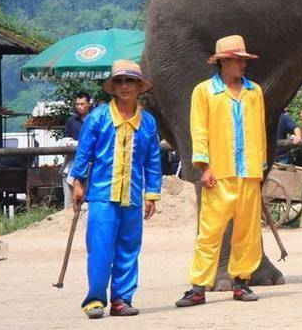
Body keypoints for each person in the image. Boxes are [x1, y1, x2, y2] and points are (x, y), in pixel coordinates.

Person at [176, 35, 268, 307]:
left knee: (247, 232)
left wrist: (260, 167)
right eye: (237, 60)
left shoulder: (254, 92)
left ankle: (241, 282)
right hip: (219, 172)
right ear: (224, 62)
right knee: (210, 231)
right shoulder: (204, 91)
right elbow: (199, 130)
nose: (242, 65)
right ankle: (198, 286)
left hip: (249, 172)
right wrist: (203, 166)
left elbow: (259, 131)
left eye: (243, 60)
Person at [68, 61, 162, 319]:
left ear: (139, 86)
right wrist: (78, 182)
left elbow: (153, 160)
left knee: (129, 248)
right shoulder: (98, 117)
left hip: (132, 195)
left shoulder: (148, 123)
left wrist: (152, 193)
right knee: (100, 247)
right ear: (113, 87)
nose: (124, 86)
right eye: (119, 81)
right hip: (101, 195)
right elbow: (84, 152)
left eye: (130, 81)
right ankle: (95, 299)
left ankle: (122, 299)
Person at [61, 91, 93, 209]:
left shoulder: (95, 119)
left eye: (82, 104)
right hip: (74, 160)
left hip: (92, 162)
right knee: (70, 201)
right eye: (77, 104)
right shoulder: (71, 121)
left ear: (89, 104)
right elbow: (65, 139)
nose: (79, 106)